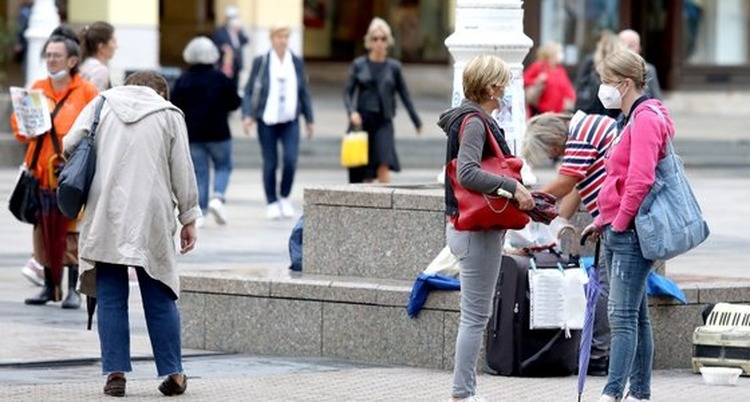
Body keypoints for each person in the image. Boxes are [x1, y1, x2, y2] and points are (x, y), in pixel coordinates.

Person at [63, 71, 200, 398]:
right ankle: (175, 374)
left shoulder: (101, 104)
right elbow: (183, 169)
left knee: (110, 296)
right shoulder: (169, 114)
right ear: (161, 93)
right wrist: (189, 217)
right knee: (160, 293)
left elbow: (69, 144)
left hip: (106, 210)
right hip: (150, 215)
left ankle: (116, 375)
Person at [437, 54, 534, 402]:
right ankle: (463, 393)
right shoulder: (475, 122)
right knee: (476, 316)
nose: (505, 91)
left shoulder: (465, 118)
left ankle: (464, 392)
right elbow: (467, 173)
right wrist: (513, 188)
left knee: (475, 314)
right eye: (503, 84)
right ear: (491, 88)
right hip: (476, 232)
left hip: (468, 229)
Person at [583, 48, 675, 402]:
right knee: (635, 317)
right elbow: (619, 179)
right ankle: (639, 394)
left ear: (624, 84)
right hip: (619, 226)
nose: (601, 88)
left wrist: (618, 224)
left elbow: (639, 180)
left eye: (606, 81)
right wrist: (602, 220)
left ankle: (612, 393)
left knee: (621, 316)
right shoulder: (629, 118)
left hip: (631, 232)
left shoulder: (645, 118)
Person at [522, 111, 619, 376]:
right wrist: (556, 225)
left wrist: (527, 201)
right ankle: (604, 352)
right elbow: (576, 187)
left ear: (554, 142)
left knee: (604, 288)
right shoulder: (586, 128)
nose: (555, 158)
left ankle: (600, 354)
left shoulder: (582, 132)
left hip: (619, 219)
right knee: (609, 285)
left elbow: (566, 183)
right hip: (614, 218)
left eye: (551, 154)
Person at [11, 25, 99, 309]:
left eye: (56, 56)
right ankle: (50, 288)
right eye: (47, 55)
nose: (51, 60)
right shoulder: (37, 90)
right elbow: (21, 130)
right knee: (44, 234)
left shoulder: (86, 91)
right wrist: (25, 124)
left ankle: (74, 290)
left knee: (71, 233)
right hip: (41, 173)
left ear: (72, 61)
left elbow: (96, 129)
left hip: (70, 175)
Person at [241, 25, 314, 220]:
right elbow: (250, 90)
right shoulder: (262, 62)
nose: (283, 40)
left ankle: (284, 197)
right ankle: (272, 201)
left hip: (290, 119)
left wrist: (309, 119)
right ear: (272, 39)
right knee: (270, 162)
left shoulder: (296, 62)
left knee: (290, 160)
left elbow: (304, 92)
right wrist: (248, 115)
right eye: (279, 36)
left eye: (286, 36)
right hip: (267, 120)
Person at [343, 17, 422, 184]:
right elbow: (347, 93)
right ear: (369, 41)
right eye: (375, 39)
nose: (379, 42)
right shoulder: (359, 65)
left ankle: (386, 207)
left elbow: (404, 95)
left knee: (384, 163)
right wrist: (351, 112)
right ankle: (364, 207)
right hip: (361, 123)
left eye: (383, 38)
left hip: (384, 122)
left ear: (388, 41)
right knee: (363, 171)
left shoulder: (394, 67)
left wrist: (416, 121)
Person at [172, 36, 241, 227]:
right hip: (219, 133)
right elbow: (234, 103)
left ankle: (200, 210)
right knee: (224, 166)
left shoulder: (183, 80)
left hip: (193, 135)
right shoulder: (220, 79)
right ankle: (218, 198)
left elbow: (175, 105)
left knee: (199, 172)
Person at [573, 30, 623, 118]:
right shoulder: (619, 64)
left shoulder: (591, 61)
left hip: (588, 110)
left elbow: (579, 84)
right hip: (610, 111)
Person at [523, 42, 576, 117]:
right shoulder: (539, 66)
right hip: (541, 111)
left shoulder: (560, 70)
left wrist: (572, 99)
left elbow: (567, 87)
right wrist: (536, 81)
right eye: (558, 52)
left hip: (557, 112)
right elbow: (524, 78)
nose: (560, 55)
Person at [618, 29, 662, 101]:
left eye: (631, 46)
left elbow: (657, 99)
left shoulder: (648, 69)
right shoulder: (608, 69)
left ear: (639, 49)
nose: (627, 50)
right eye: (623, 45)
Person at [212, 5, 249, 90]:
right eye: (231, 18)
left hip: (237, 63)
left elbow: (246, 41)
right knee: (225, 86)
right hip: (225, 64)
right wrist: (222, 47)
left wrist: (242, 29)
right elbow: (215, 45)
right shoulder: (220, 31)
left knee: (235, 86)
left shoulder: (239, 32)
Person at [79, 21, 117, 91]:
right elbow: (95, 100)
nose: (116, 46)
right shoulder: (100, 71)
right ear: (101, 46)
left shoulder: (83, 66)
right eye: (113, 41)